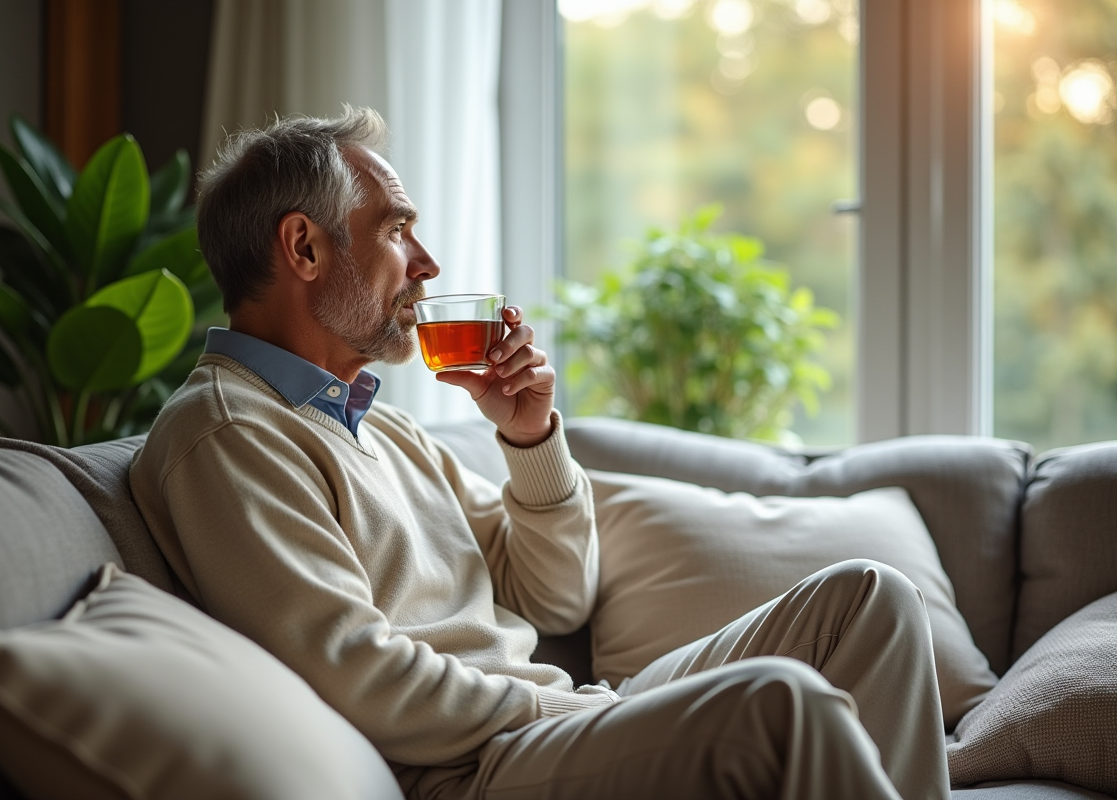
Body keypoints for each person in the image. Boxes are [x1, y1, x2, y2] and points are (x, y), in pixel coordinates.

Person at [130, 107, 951, 800]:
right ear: (304, 249)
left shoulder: (378, 426)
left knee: (869, 598)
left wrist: (527, 437)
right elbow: (355, 675)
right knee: (785, 704)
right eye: (397, 230)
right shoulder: (229, 434)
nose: (428, 264)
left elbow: (554, 600)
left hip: (549, 719)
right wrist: (566, 713)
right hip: (474, 767)